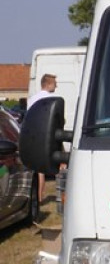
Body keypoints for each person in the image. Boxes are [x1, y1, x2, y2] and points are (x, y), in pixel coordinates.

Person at [27, 73, 58, 206]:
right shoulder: (51, 99)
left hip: (32, 135)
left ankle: (37, 198)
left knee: (36, 169)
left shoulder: (32, 98)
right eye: (55, 83)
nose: (56, 85)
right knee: (48, 168)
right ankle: (41, 198)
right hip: (46, 136)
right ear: (49, 84)